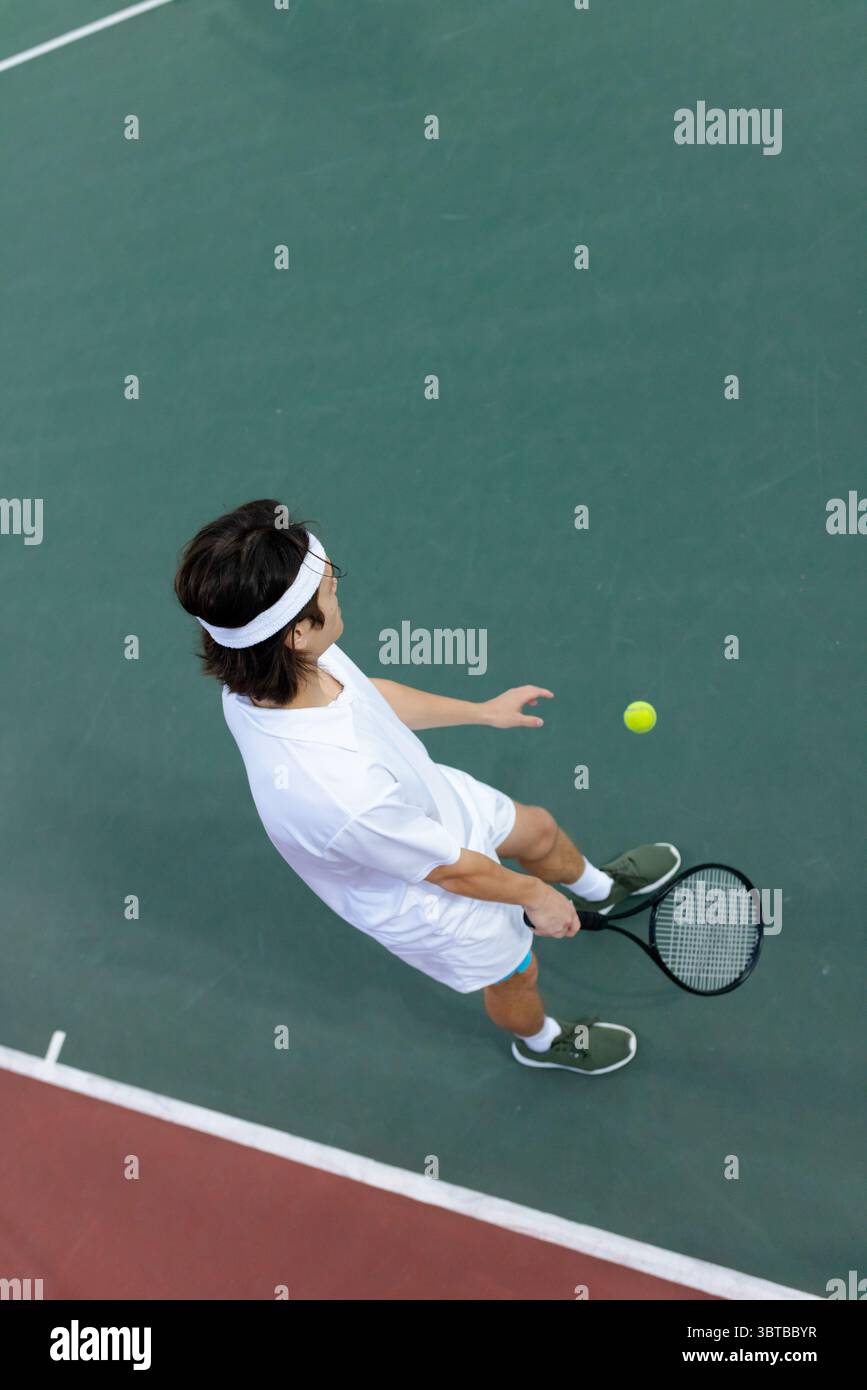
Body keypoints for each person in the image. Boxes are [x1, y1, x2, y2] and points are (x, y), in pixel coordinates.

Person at [174, 500, 680, 1075]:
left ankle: (600, 887)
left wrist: (482, 712)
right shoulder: (336, 791)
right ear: (294, 634)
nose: (336, 583)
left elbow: (367, 695)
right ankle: (542, 1042)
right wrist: (536, 897)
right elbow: (451, 871)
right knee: (518, 972)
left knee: (536, 827)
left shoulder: (267, 666)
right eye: (327, 586)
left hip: (420, 802)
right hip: (428, 894)